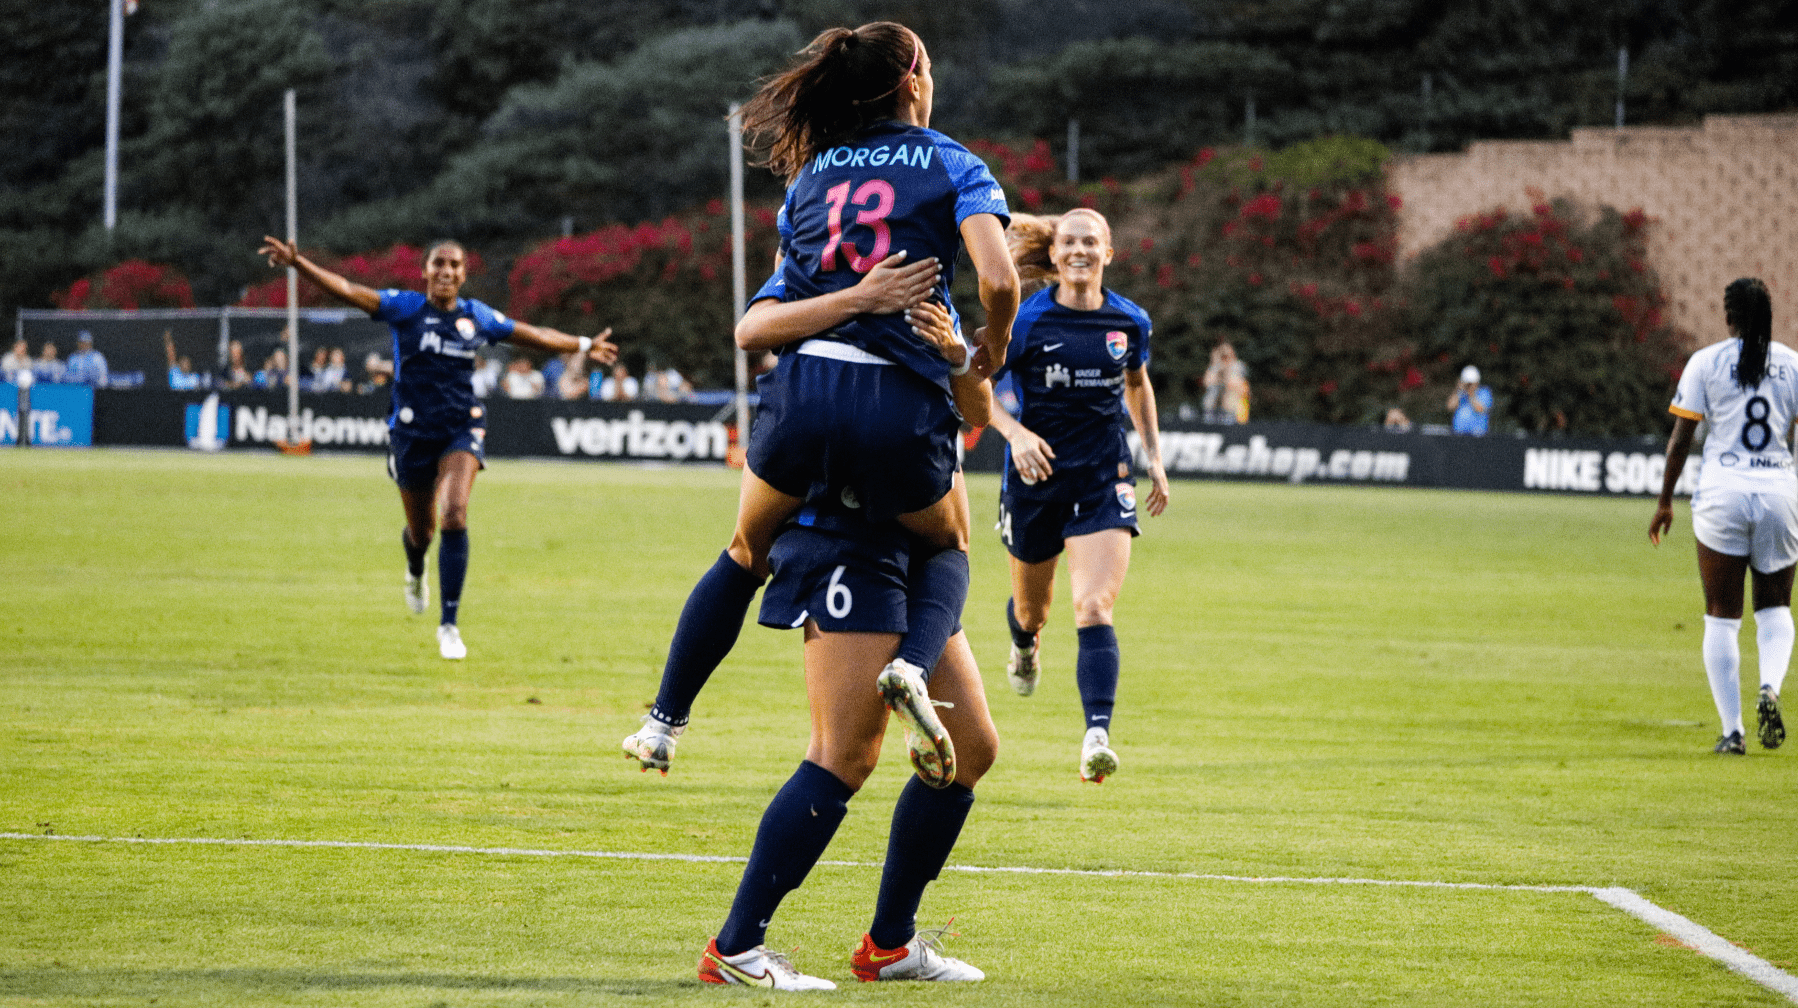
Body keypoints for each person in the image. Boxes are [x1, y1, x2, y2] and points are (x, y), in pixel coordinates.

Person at [620, 20, 1018, 782]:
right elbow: (999, 281)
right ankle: (912, 665)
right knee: (947, 547)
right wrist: (989, 346)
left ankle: (663, 722)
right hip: (895, 405)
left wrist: (850, 297)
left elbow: (753, 329)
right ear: (914, 80)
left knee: (745, 552)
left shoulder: (810, 179)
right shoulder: (952, 163)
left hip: (801, 400)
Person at [700, 373, 997, 990]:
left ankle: (892, 945)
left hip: (924, 561)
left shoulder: (943, 339)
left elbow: (979, 398)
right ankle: (736, 948)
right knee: (842, 756)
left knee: (970, 748)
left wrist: (971, 350)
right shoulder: (855, 325)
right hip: (855, 545)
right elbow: (754, 330)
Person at [258, 235, 617, 659]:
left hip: (460, 428)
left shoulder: (476, 316)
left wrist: (582, 344)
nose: (446, 271)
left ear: (463, 274)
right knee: (422, 533)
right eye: (439, 263)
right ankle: (415, 568)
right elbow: (351, 290)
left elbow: (531, 334)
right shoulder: (406, 308)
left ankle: (449, 625)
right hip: (412, 435)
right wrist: (299, 264)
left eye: (455, 265)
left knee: (454, 513)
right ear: (426, 270)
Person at [983, 209, 1170, 782]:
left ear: (1108, 253)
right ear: (1055, 254)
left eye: (1091, 241)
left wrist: (1154, 457)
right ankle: (1024, 644)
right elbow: (975, 386)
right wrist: (1015, 435)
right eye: (1069, 242)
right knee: (1031, 611)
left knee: (1093, 607)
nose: (1080, 250)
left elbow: (1137, 383)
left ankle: (1096, 737)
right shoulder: (1026, 320)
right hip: (1036, 482)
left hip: (1103, 478)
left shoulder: (1129, 321)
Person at [1651, 278, 1790, 755]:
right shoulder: (1793, 364)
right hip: (1778, 492)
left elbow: (1680, 440)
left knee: (1722, 617)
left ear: (1728, 316)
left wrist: (1665, 501)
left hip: (1722, 494)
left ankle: (1733, 733)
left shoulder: (1705, 362)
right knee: (1775, 608)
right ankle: (1769, 686)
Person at [1202, 342, 1248, 424]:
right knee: (1212, 390)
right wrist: (1217, 367)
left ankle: (1229, 415)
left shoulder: (1237, 365)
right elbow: (1207, 382)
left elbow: (1235, 383)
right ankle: (1209, 415)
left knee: (1231, 392)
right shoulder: (1216, 366)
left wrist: (1226, 372)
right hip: (1217, 398)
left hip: (1233, 401)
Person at [1449, 364, 1491, 435]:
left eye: (1471, 383)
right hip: (1459, 433)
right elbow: (1450, 407)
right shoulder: (1461, 393)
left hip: (1477, 434)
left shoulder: (1484, 392)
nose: (1469, 385)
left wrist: (1471, 394)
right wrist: (1458, 391)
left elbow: (1480, 409)